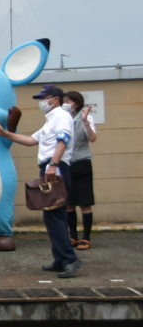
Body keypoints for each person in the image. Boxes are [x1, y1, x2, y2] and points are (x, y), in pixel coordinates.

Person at [0, 84, 81, 278]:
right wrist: (4, 133)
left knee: (55, 214)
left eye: (43, 98)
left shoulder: (62, 116)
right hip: (50, 167)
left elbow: (63, 140)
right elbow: (31, 140)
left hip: (55, 167)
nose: (41, 102)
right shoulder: (50, 120)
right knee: (51, 215)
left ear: (54, 99)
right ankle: (61, 258)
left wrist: (54, 164)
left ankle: (70, 259)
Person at [63, 91, 98, 250]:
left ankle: (86, 238)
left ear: (76, 103)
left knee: (84, 203)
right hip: (66, 164)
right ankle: (73, 236)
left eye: (68, 101)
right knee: (69, 203)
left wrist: (85, 122)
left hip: (82, 163)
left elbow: (92, 138)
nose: (65, 103)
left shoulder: (86, 118)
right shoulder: (62, 118)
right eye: (64, 100)